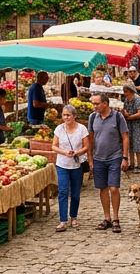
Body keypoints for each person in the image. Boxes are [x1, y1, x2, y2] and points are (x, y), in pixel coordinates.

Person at [87, 93, 130, 234]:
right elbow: (91, 139)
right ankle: (107, 218)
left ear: (105, 103)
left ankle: (116, 218)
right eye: (93, 103)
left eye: (97, 103)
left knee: (113, 188)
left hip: (114, 157)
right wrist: (90, 158)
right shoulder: (93, 117)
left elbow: (125, 137)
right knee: (103, 188)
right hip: (99, 157)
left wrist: (125, 157)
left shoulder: (117, 117)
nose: (94, 106)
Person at [53, 104, 91, 232]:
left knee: (75, 193)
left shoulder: (82, 129)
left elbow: (87, 146)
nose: (66, 117)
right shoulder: (59, 129)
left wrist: (77, 152)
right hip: (62, 164)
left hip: (76, 164)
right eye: (64, 115)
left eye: (68, 115)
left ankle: (73, 216)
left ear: (74, 116)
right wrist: (64, 152)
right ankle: (63, 220)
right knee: (63, 191)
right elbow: (54, 146)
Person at [121, 82, 140, 173]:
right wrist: (125, 112)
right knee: (130, 144)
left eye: (126, 91)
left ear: (131, 91)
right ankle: (131, 164)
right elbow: (124, 108)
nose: (125, 93)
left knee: (137, 145)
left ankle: (139, 165)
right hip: (129, 125)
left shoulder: (137, 99)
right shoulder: (127, 100)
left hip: (137, 125)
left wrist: (130, 117)